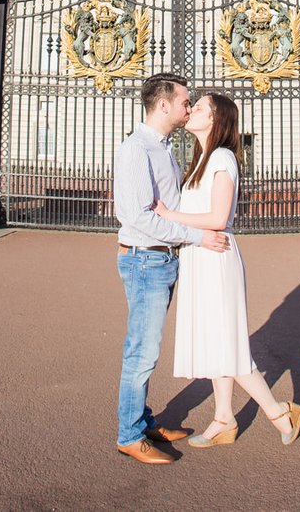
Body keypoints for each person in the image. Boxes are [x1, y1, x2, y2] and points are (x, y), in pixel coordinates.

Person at [154, 91, 300, 448]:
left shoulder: (222, 157)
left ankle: (279, 411)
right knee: (214, 340)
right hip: (199, 255)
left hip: (217, 257)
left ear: (216, 120)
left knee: (227, 343)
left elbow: (218, 218)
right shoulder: (201, 159)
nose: (190, 110)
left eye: (199, 107)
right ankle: (223, 418)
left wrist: (168, 215)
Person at [113, 72, 231, 465]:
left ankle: (143, 420)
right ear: (163, 104)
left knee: (148, 348)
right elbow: (139, 217)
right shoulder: (137, 149)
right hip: (145, 256)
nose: (188, 105)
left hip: (161, 257)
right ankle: (129, 435)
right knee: (141, 352)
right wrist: (197, 238)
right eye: (184, 100)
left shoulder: (163, 148)